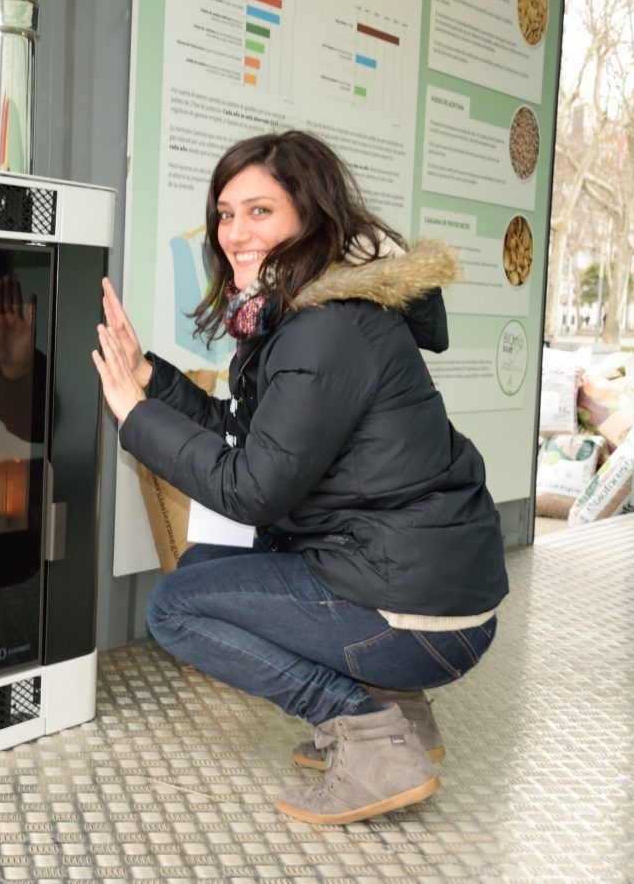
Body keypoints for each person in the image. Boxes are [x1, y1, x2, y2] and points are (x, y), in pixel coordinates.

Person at [91, 130, 508, 825]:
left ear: (309, 215)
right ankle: (404, 718)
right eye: (225, 213)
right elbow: (256, 435)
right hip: (433, 589)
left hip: (417, 610)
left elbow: (253, 488)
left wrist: (136, 418)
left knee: (175, 606)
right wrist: (151, 382)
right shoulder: (315, 311)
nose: (233, 232)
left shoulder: (324, 329)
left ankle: (370, 735)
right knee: (203, 566)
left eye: (259, 211)